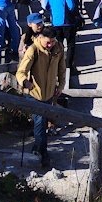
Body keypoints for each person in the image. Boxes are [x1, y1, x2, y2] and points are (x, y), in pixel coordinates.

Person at [15, 23, 66, 164]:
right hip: (34, 94)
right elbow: (20, 72)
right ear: (40, 37)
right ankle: (43, 155)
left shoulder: (59, 48)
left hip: (49, 93)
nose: (50, 45)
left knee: (42, 123)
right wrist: (25, 83)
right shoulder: (33, 50)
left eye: (53, 41)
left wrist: (61, 85)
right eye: (48, 42)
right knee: (40, 122)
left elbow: (62, 69)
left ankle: (37, 148)